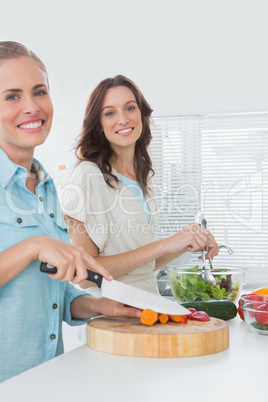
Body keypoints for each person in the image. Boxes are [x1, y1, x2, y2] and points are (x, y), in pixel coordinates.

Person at [0, 42, 141, 383]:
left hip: (47, 379)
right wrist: (32, 247)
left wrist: (96, 306)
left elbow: (52, 294)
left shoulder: (46, 186)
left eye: (39, 91)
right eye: (12, 96)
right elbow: (34, 253)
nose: (32, 107)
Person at [62, 75, 219, 297]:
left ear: (142, 114)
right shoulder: (88, 176)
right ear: (98, 125)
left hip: (146, 308)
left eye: (130, 108)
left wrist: (187, 241)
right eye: (110, 113)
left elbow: (143, 267)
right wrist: (166, 244)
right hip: (109, 317)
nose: (123, 119)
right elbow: (86, 275)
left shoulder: (141, 176)